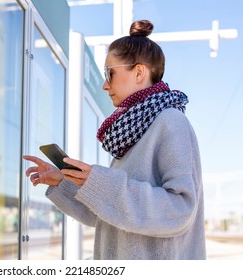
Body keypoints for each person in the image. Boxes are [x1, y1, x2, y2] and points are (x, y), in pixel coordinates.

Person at [23, 19, 206, 260]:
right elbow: (105, 214)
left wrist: (101, 183)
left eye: (110, 73)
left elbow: (180, 210)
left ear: (139, 72)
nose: (104, 85)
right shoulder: (132, 131)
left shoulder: (171, 122)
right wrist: (64, 182)